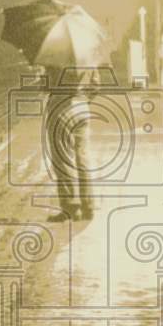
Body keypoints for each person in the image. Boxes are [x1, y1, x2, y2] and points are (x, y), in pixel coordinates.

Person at [43, 65, 99, 222]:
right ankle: (88, 206)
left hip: (61, 108)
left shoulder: (54, 55)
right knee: (83, 158)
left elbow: (46, 85)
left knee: (63, 159)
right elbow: (96, 85)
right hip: (82, 109)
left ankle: (71, 208)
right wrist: (84, 99)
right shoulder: (88, 55)